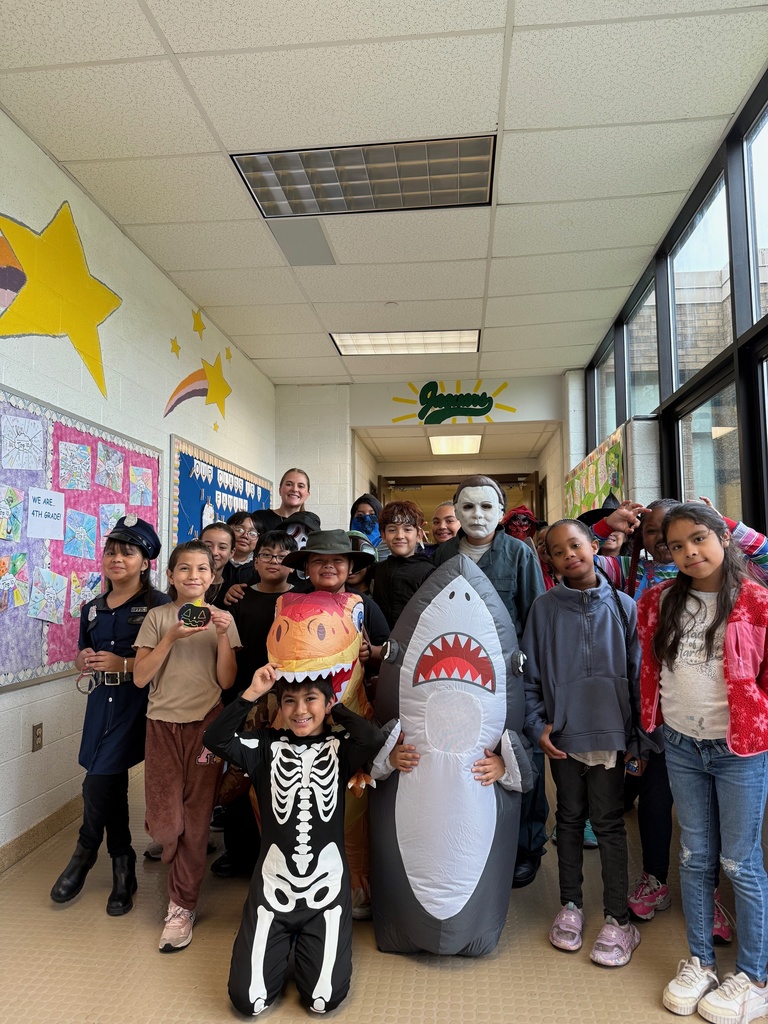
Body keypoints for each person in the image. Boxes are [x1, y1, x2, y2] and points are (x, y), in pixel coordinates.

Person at [638, 503, 768, 1022]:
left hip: (739, 749)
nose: (689, 552)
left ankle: (755, 975)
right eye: (676, 546)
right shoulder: (657, 601)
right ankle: (700, 961)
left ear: (723, 537)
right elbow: (651, 667)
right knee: (694, 855)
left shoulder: (757, 600)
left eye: (698, 539)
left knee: (740, 861)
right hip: (680, 744)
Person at [203, 667, 385, 1015]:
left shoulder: (340, 749)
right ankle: (284, 943)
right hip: (273, 890)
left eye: (310, 699)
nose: (300, 710)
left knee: (322, 1000)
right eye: (290, 701)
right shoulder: (262, 747)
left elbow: (372, 739)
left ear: (327, 703)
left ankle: (302, 948)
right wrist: (252, 693)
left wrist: (336, 709)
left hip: (325, 894)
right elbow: (215, 738)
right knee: (247, 1002)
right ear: (280, 707)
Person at [523, 518, 648, 967]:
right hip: (563, 737)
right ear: (550, 560)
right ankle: (571, 907)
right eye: (557, 551)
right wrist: (537, 724)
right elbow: (531, 675)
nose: (568, 555)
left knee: (610, 825)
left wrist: (638, 738)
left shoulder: (624, 606)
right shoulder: (543, 607)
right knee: (570, 820)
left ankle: (618, 920)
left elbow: (637, 676)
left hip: (613, 736)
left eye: (575, 545)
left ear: (594, 546)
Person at [50, 516, 168, 915]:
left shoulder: (158, 604)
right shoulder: (92, 608)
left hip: (140, 704)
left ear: (145, 562)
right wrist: (83, 656)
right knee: (109, 781)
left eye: (127, 552)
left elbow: (171, 659)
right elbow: (84, 651)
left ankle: (84, 853)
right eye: (111, 551)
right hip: (102, 702)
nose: (116, 558)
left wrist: (127, 663)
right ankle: (123, 865)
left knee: (98, 781)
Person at [434, 474, 547, 887]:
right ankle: (467, 842)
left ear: (501, 513)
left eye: (486, 507)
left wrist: (533, 681)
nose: (476, 515)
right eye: (467, 507)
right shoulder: (442, 553)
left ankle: (527, 847)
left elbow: (535, 617)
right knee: (465, 761)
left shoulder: (519, 553)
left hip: (510, 679)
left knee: (519, 758)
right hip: (456, 679)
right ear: (456, 512)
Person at [133, 540, 240, 952]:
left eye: (202, 569)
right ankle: (169, 840)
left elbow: (227, 682)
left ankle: (181, 907)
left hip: (206, 726)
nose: (193, 576)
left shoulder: (222, 620)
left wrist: (223, 632)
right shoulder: (158, 617)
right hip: (161, 725)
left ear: (213, 578)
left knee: (196, 821)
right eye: (184, 569)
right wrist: (173, 636)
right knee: (166, 824)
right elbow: (141, 678)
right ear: (171, 575)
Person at [211, 529, 299, 880]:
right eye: (266, 555)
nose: (273, 562)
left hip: (290, 704)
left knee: (282, 779)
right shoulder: (237, 598)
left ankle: (280, 854)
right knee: (239, 775)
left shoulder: (303, 599)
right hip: (244, 699)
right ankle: (240, 852)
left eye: (282, 557)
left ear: (293, 564)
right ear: (255, 560)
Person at [370, 500, 435, 629]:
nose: (400, 536)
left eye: (407, 529)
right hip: (381, 642)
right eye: (392, 529)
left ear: (419, 535)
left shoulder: (429, 573)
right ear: (383, 535)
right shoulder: (377, 570)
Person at [200, 520, 237, 607]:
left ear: (231, 552)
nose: (214, 552)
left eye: (222, 547)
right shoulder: (185, 583)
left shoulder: (234, 592)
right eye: (208, 546)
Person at [350, 492, 389, 561]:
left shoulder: (390, 547)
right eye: (360, 515)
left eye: (372, 514)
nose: (366, 518)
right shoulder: (344, 545)